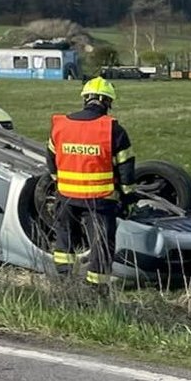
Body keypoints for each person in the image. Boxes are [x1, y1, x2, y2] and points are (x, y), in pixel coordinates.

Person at [47, 76, 136, 286]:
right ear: (108, 102)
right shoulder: (113, 129)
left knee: (64, 241)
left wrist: (60, 183)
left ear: (85, 98)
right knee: (101, 245)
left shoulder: (61, 125)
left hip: (66, 196)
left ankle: (63, 280)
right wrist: (128, 197)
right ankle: (96, 287)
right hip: (100, 199)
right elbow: (126, 168)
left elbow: (51, 160)